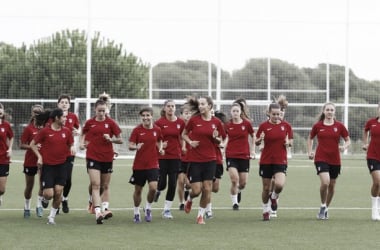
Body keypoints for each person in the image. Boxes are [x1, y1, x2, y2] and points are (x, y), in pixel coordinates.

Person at [182, 96, 226, 224]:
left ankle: (200, 216)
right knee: (196, 190)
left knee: (207, 189)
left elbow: (221, 140)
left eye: (203, 104)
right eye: (199, 104)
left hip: (211, 160)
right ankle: (189, 199)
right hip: (195, 160)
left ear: (210, 106)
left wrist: (216, 139)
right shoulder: (194, 120)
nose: (200, 106)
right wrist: (190, 142)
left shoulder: (217, 122)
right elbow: (183, 134)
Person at [79, 99, 123, 224]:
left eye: (104, 111)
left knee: (104, 186)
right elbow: (83, 132)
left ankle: (95, 204)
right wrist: (82, 143)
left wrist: (111, 140)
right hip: (92, 156)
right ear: (95, 110)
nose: (102, 113)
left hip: (107, 157)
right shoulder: (90, 123)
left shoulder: (111, 123)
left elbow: (120, 139)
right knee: (95, 184)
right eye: (99, 111)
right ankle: (98, 212)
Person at [30, 108, 75, 225]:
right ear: (57, 118)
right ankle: (44, 199)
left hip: (62, 166)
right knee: (49, 194)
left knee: (59, 192)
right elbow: (32, 144)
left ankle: (51, 218)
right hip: (48, 167)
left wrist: (72, 148)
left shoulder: (67, 131)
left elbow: (71, 144)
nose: (66, 119)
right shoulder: (45, 131)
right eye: (64, 117)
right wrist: (39, 157)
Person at [307, 102, 350, 220]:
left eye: (332, 110)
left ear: (334, 112)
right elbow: (310, 138)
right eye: (328, 110)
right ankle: (322, 205)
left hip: (335, 159)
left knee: (331, 186)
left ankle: (326, 208)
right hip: (321, 157)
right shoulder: (318, 126)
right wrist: (310, 151)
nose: (330, 112)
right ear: (324, 111)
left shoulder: (340, 126)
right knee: (325, 182)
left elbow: (347, 140)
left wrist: (344, 147)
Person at [255, 103, 293, 221]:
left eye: (278, 114)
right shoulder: (263, 126)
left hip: (280, 160)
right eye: (274, 114)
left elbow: (291, 141)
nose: (276, 116)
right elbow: (256, 142)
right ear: (269, 113)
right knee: (266, 188)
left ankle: (274, 196)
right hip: (266, 160)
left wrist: (288, 144)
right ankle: (265, 210)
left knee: (279, 185)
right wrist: (260, 139)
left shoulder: (286, 126)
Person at [128, 107, 163, 223]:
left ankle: (148, 208)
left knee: (153, 188)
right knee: (138, 190)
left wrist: (161, 148)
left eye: (147, 115)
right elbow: (130, 145)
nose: (145, 118)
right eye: (143, 116)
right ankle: (136, 212)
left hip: (153, 164)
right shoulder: (137, 130)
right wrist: (135, 147)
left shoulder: (157, 130)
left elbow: (159, 140)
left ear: (152, 116)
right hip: (139, 165)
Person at [153, 100, 185, 219]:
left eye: (173, 106)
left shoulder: (180, 123)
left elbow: (182, 137)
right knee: (162, 183)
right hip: (162, 156)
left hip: (175, 157)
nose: (171, 108)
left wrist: (183, 147)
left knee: (172, 183)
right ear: (164, 108)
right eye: (168, 106)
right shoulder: (159, 123)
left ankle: (167, 210)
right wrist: (160, 146)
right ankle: (157, 191)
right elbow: (154, 139)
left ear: (175, 108)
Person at [224, 102, 255, 211]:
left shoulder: (246, 124)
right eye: (233, 111)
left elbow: (253, 135)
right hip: (231, 155)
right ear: (231, 113)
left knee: (242, 183)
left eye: (237, 111)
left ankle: (239, 190)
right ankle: (235, 203)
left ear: (241, 112)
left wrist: (253, 150)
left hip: (244, 156)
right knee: (234, 180)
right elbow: (224, 138)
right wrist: (222, 146)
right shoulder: (227, 125)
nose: (235, 113)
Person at [20, 104, 45, 218]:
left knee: (42, 185)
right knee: (29, 186)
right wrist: (33, 146)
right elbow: (22, 145)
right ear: (32, 114)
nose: (37, 114)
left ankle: (39, 205)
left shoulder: (45, 128)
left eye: (39, 112)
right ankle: (27, 206)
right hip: (30, 161)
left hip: (42, 160)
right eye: (35, 112)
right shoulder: (28, 128)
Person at [57, 94, 80, 214]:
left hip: (69, 152)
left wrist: (77, 132)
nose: (64, 104)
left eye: (66, 102)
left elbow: (78, 130)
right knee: (57, 179)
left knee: (68, 179)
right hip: (55, 152)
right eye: (62, 102)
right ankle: (56, 204)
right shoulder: (54, 117)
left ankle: (64, 199)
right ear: (58, 104)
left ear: (69, 105)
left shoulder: (73, 117)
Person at [204, 110, 227, 219]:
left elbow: (224, 139)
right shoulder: (201, 125)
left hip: (217, 160)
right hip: (207, 160)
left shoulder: (218, 125)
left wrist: (220, 143)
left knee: (215, 188)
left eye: (213, 112)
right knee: (208, 186)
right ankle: (208, 210)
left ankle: (205, 193)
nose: (211, 114)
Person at [362, 103, 380, 220]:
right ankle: (374, 208)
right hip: (372, 156)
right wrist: (365, 143)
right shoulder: (371, 122)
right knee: (378, 182)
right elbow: (365, 131)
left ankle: (378, 208)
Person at [177, 105, 192, 211]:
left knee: (189, 184)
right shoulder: (178, 125)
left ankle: (187, 192)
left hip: (192, 158)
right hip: (180, 157)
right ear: (181, 115)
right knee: (181, 181)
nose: (188, 115)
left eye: (189, 113)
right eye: (185, 113)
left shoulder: (194, 125)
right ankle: (181, 203)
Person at [0, 103, 14, 207]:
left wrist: (10, 148)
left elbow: (11, 137)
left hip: (3, 158)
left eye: (1, 108)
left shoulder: (6, 125)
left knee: (2, 189)